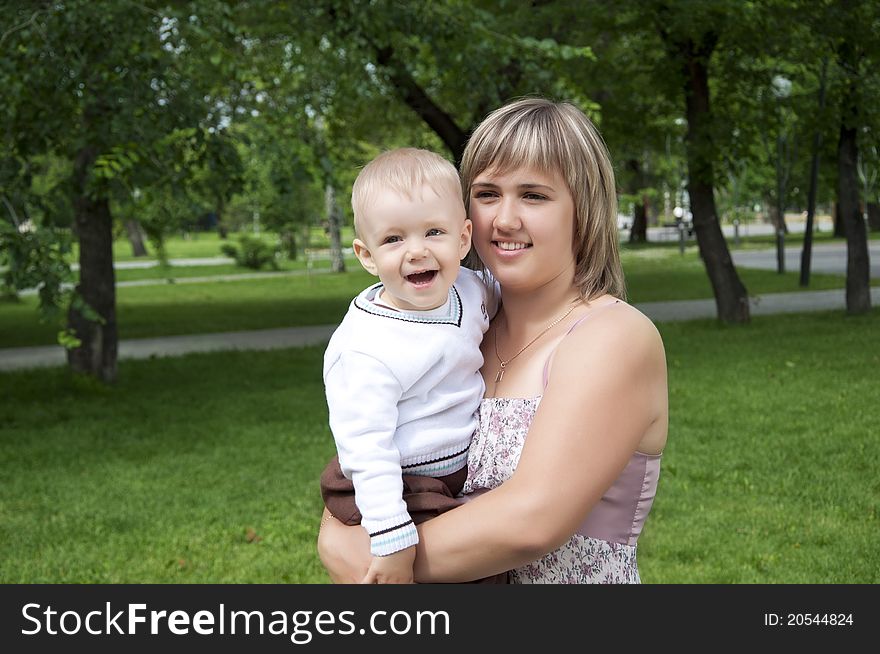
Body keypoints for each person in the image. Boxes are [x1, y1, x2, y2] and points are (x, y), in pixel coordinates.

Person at [318, 97, 668, 584]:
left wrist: (361, 554)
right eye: (486, 194)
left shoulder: (612, 337)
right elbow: (376, 451)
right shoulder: (460, 326)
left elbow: (530, 522)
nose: (504, 219)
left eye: (533, 195)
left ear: (583, 209)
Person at [319, 148, 498, 584]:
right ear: (366, 255)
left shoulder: (471, 289)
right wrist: (393, 539)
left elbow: (509, 297)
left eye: (433, 231)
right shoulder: (365, 347)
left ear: (463, 238)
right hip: (400, 481)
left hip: (451, 470)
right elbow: (367, 448)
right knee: (475, 574)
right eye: (393, 239)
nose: (416, 251)